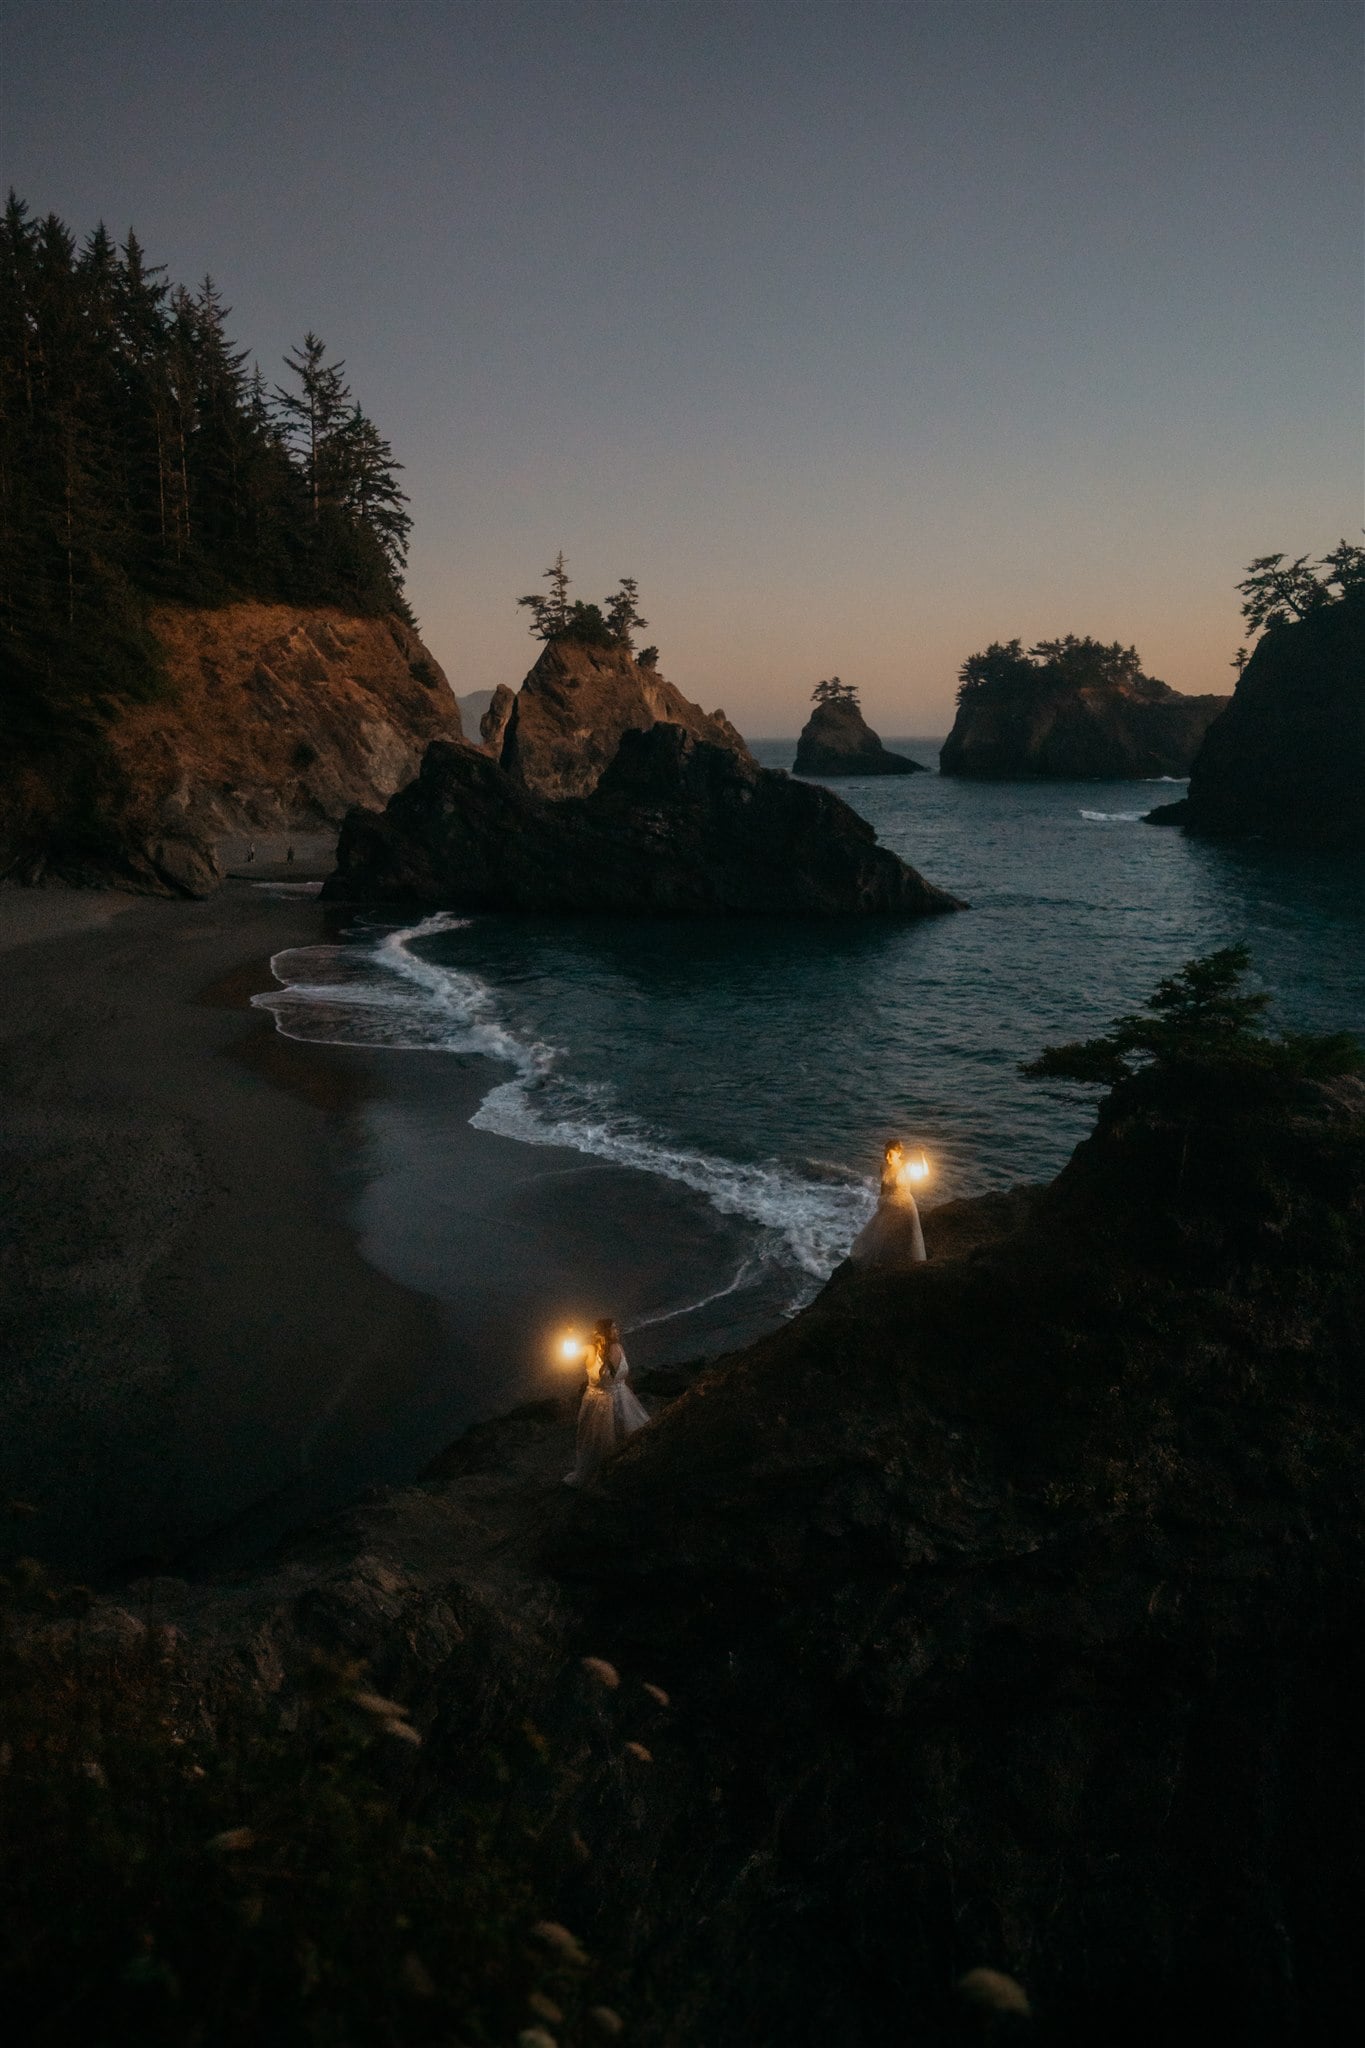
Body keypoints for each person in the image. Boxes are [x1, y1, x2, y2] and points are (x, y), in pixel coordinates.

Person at [564, 1316, 649, 1486]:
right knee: (597, 1442)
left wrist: (632, 1395)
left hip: (623, 1398)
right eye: (613, 1328)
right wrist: (570, 1335)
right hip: (598, 1403)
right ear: (604, 1332)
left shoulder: (618, 1347)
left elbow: (625, 1377)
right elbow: (569, 1354)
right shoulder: (589, 1350)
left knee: (627, 1437)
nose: (617, 1331)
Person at [847, 1139, 927, 1269]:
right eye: (885, 1153)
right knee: (882, 1235)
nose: (887, 1157)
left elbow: (924, 1174)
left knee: (905, 1236)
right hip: (888, 1205)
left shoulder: (907, 1166)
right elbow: (883, 1186)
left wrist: (923, 1156)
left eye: (890, 1154)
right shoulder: (883, 1166)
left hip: (905, 1205)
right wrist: (881, 1200)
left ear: (899, 1153)